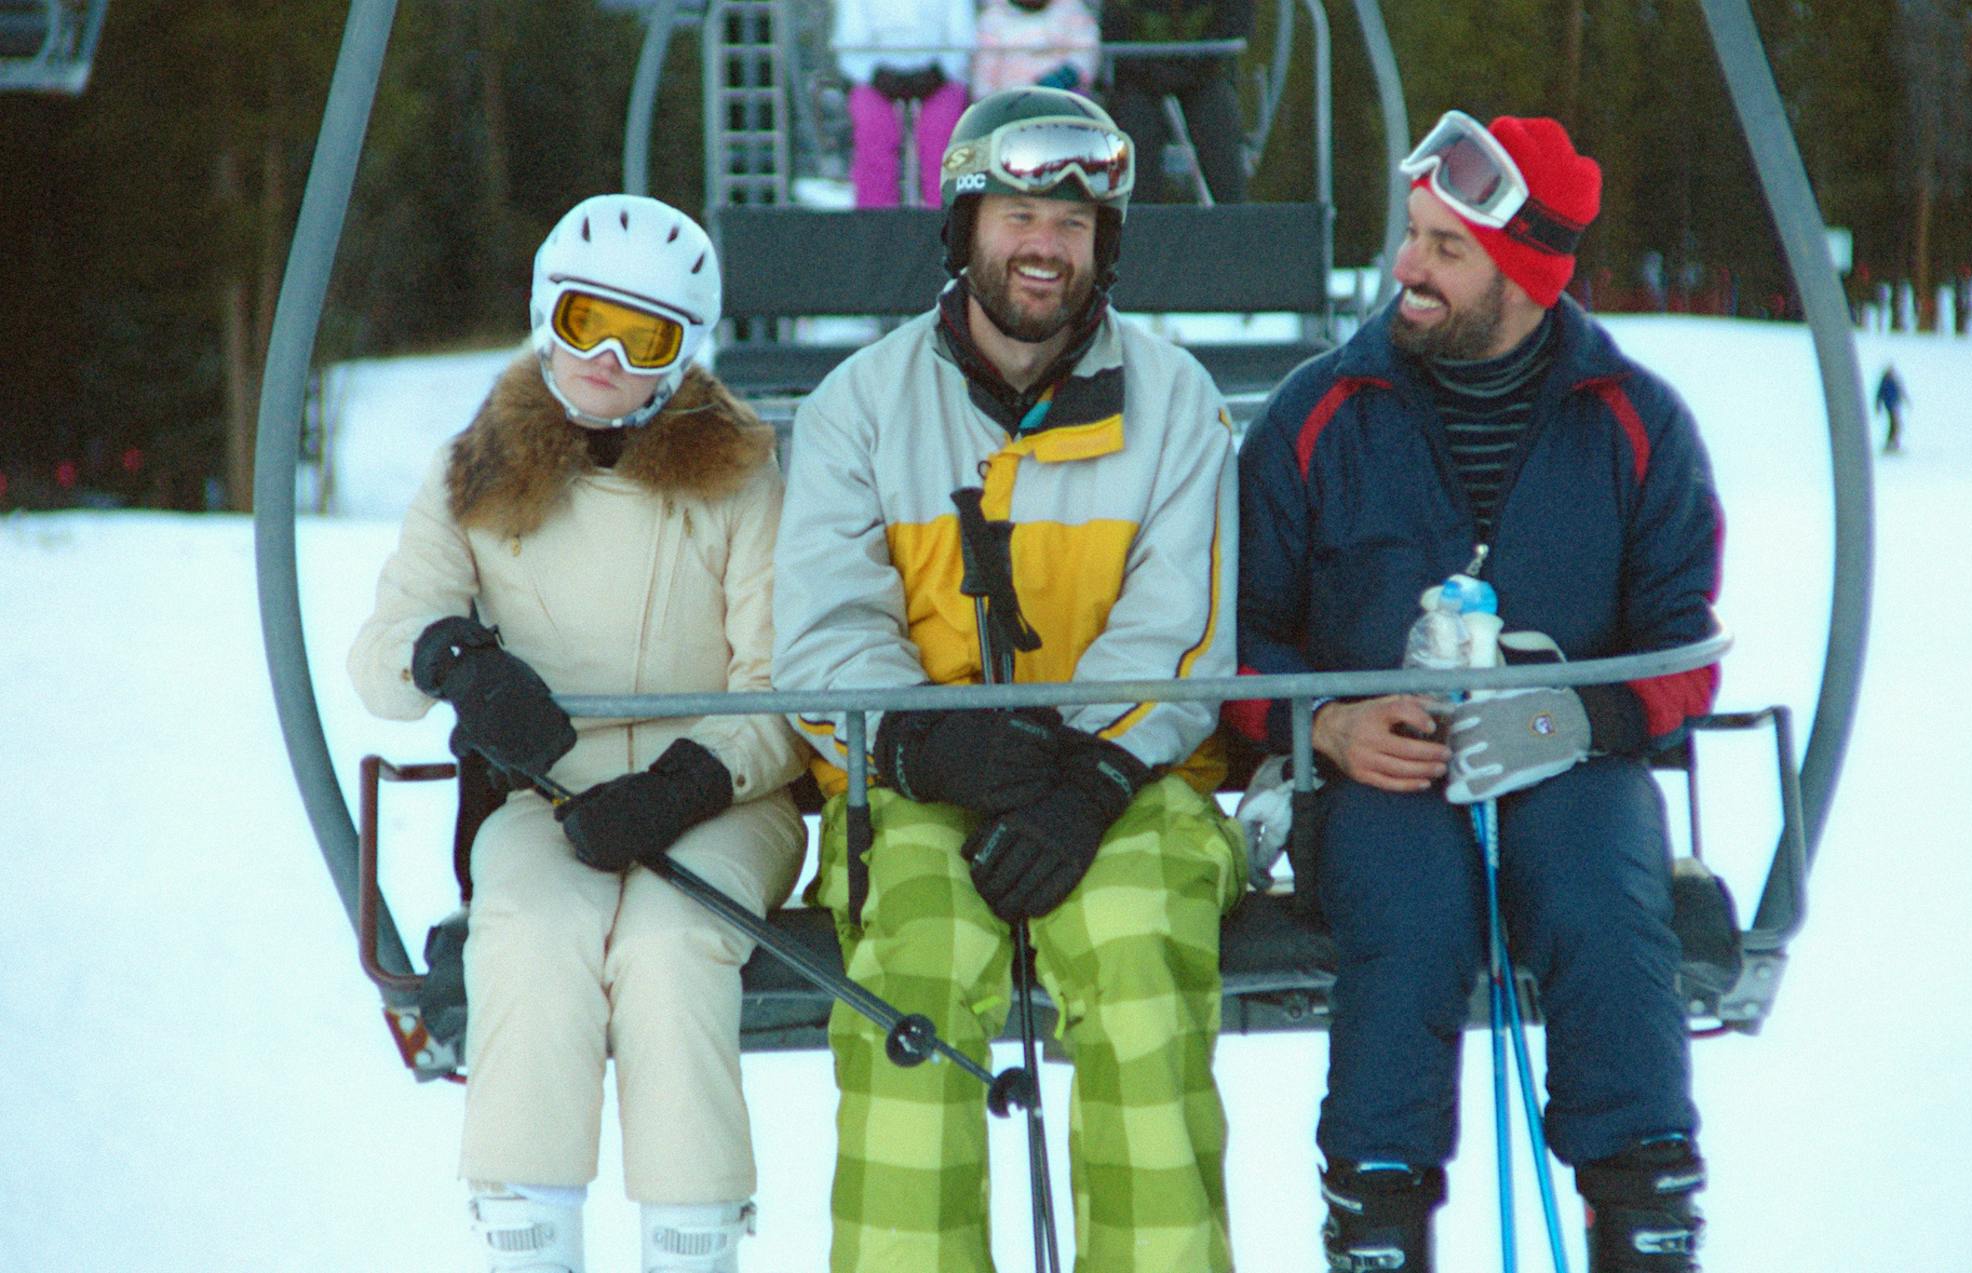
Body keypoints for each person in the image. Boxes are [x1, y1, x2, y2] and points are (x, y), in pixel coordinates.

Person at [1233, 112, 1724, 1273]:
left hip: (1571, 768)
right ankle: (1378, 1215)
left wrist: (1582, 717)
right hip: (1374, 770)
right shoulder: (1319, 416)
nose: (1407, 268)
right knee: (1407, 913)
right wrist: (1330, 721)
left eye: (1446, 250)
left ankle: (1644, 1205)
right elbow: (1232, 641)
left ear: (1525, 274)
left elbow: (1686, 646)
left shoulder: (1634, 423)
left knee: (1606, 897)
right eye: (1410, 237)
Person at [771, 86, 1244, 1273]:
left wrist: (1082, 780)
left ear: (1107, 244)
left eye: (1074, 225)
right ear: (963, 224)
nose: (1045, 246)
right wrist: (921, 745)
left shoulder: (1175, 406)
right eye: (1018, 214)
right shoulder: (862, 410)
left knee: (1141, 972)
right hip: (918, 787)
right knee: (910, 997)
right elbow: (822, 632)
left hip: (1127, 783)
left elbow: (1182, 631)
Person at [347, 194, 808, 1273]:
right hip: (542, 794)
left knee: (667, 945)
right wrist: (453, 658)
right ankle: (530, 1239)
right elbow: (383, 654)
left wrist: (689, 783)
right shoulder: (478, 467)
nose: (602, 357)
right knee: (534, 935)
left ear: (684, 354)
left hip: (725, 794)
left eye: (640, 338)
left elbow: (783, 684)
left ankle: (691, 1244)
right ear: (545, 313)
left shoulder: (740, 475)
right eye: (582, 319)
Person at [1098, 0, 1253, 204]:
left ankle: (1232, 221)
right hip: (1139, 79)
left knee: (1218, 124)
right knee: (1134, 128)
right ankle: (1138, 223)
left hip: (1204, 75)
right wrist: (1151, 72)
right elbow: (1114, 35)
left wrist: (1192, 69)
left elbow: (1235, 27)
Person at [831, 0, 977, 207]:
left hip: (940, 74)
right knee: (874, 135)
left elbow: (962, 36)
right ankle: (875, 223)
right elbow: (849, 40)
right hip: (874, 75)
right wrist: (875, 75)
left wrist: (941, 72)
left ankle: (948, 221)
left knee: (944, 141)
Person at [971, 0, 1100, 99]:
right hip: (1008, 104)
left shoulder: (1072, 10)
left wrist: (1061, 79)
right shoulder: (993, 18)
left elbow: (1084, 56)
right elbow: (984, 79)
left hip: (1062, 99)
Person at [1875, 364, 1908, 455]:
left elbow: (1900, 391)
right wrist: (1878, 406)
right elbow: (1879, 395)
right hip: (1889, 405)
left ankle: (1893, 442)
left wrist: (1906, 400)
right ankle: (1890, 443)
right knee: (1894, 424)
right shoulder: (1885, 382)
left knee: (1897, 424)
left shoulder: (1894, 381)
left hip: (1895, 405)